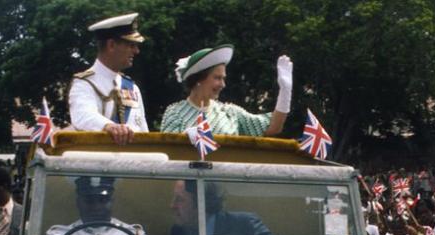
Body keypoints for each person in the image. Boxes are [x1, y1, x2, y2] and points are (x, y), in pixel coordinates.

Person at [161, 45, 292, 136]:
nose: (223, 84)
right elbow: (167, 156)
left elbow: (273, 127)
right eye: (217, 78)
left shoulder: (230, 112)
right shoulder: (175, 113)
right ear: (199, 79)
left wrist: (285, 91)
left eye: (223, 78)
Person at [69, 13, 148, 144]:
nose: (136, 51)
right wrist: (109, 126)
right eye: (131, 45)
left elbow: (143, 131)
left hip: (134, 161)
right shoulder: (84, 83)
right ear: (111, 45)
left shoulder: (132, 87)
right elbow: (83, 116)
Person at [169, 180, 285, 235]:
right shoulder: (178, 232)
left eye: (179, 199)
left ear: (201, 203)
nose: (172, 206)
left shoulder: (245, 224)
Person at [44, 177, 150, 235]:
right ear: (78, 203)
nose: (96, 206)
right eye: (89, 201)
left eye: (103, 200)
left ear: (112, 202)